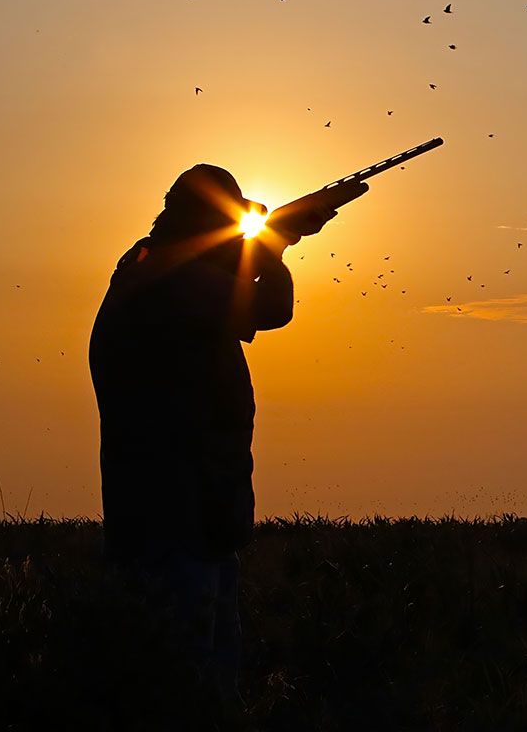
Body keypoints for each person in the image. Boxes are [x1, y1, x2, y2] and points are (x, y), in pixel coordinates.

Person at [88, 164, 366, 705]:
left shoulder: (148, 264)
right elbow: (269, 309)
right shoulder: (172, 276)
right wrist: (276, 246)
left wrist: (262, 245)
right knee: (186, 678)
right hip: (175, 506)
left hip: (195, 503)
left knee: (195, 669)